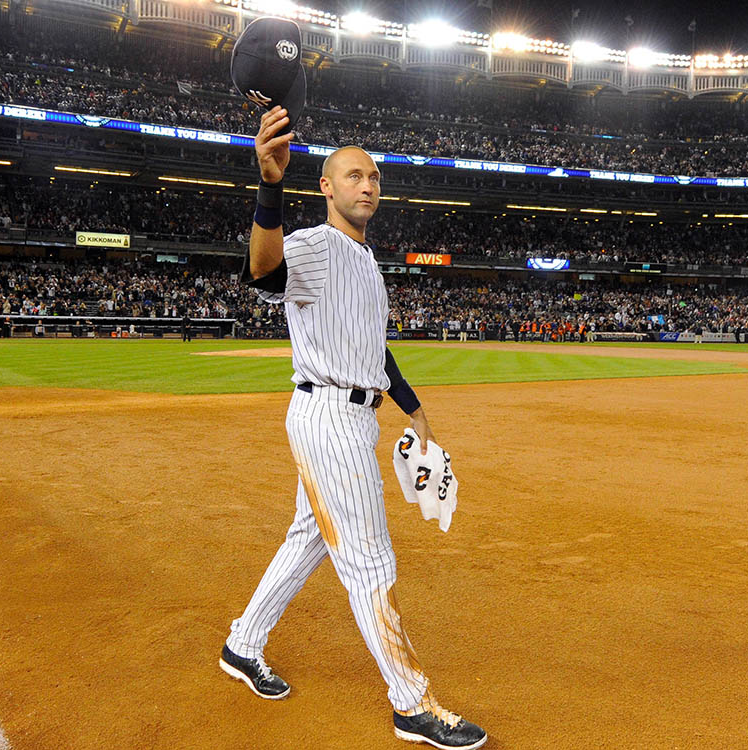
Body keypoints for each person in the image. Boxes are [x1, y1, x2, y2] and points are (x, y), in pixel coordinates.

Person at [221, 106, 487, 749]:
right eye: (352, 175)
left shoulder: (366, 261)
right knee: (370, 562)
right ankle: (411, 704)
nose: (366, 184)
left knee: (309, 537)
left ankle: (242, 643)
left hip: (352, 414)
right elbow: (264, 274)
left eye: (372, 176)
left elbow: (374, 349)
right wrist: (269, 185)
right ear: (327, 188)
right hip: (327, 417)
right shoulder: (313, 243)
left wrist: (413, 406)